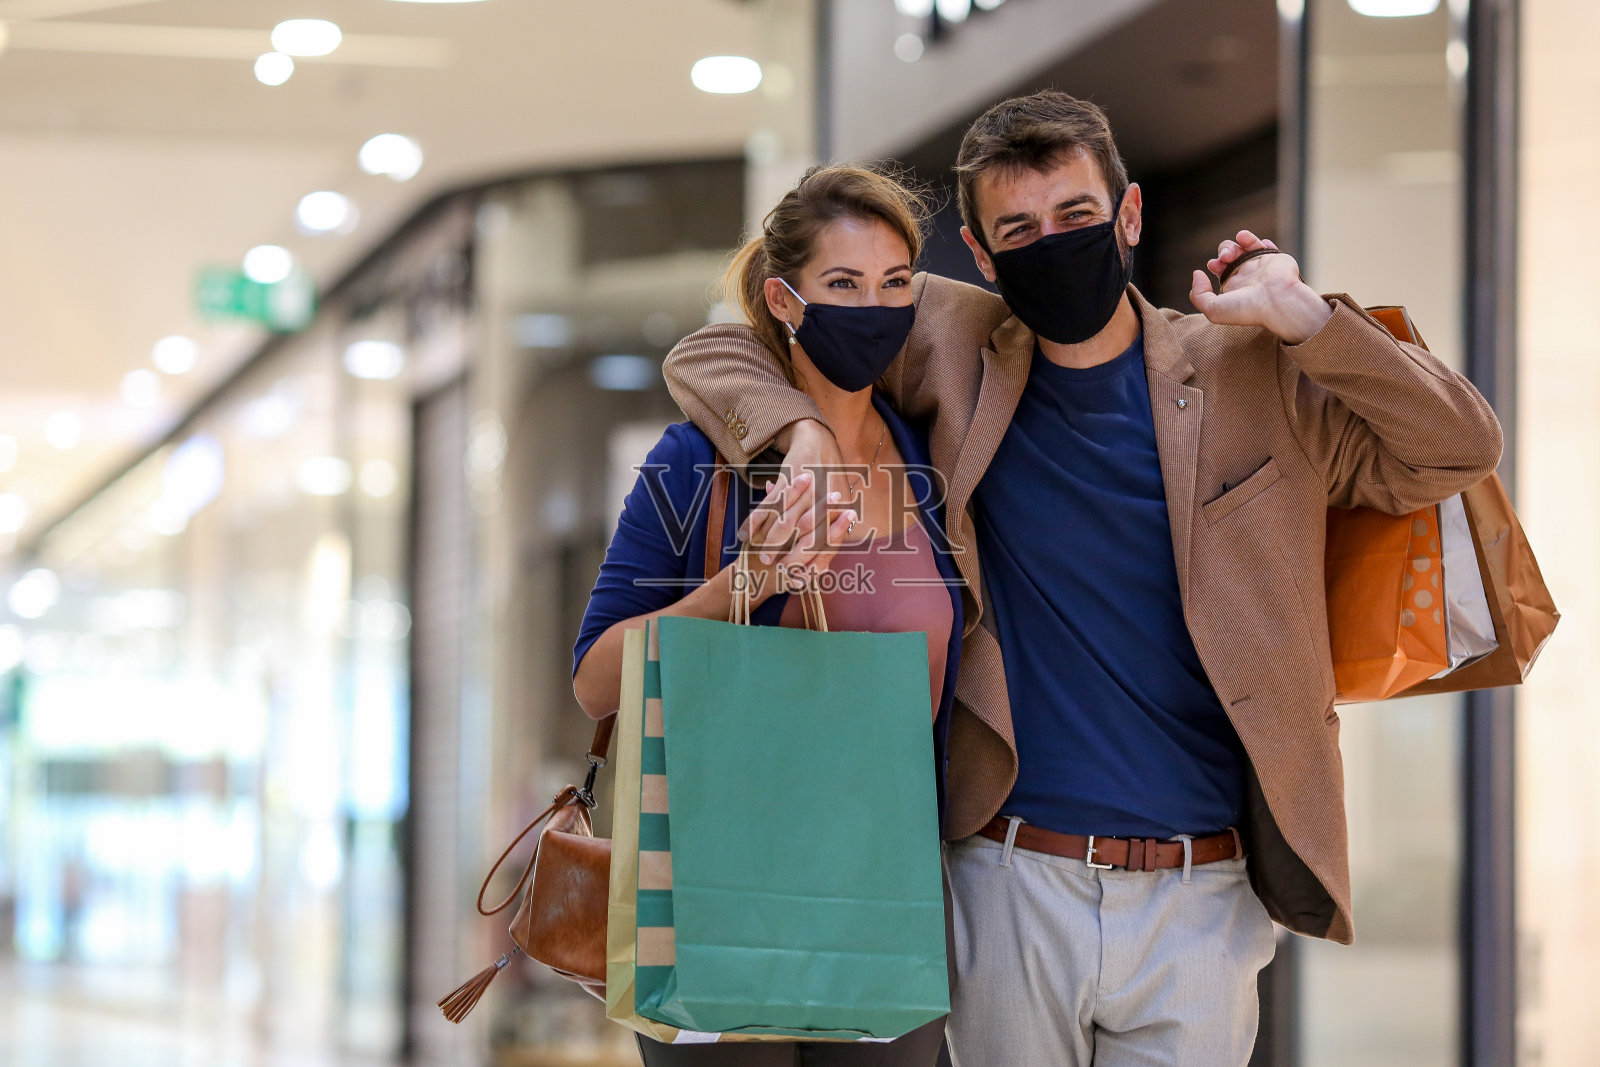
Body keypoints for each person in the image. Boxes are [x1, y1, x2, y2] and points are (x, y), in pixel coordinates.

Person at [661, 91, 1503, 1065]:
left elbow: (1458, 445)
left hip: (1201, 890)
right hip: (1009, 875)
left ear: (1129, 215)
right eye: (1016, 228)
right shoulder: (952, 340)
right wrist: (798, 430)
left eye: (1076, 217)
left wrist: (1309, 317)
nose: (1049, 243)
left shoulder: (1251, 365)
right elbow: (717, 345)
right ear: (979, 254)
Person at [572, 163, 961, 1066]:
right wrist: (736, 588)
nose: (875, 306)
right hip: (714, 879)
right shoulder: (692, 462)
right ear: (784, 302)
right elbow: (596, 680)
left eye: (894, 283)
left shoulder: (934, 459)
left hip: (890, 884)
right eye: (843, 285)